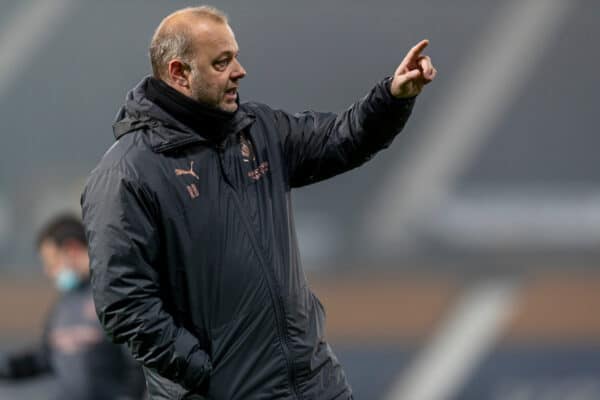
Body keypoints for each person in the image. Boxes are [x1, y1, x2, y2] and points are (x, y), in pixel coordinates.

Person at [81, 5, 436, 400]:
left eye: (235, 56)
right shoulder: (127, 173)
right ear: (180, 73)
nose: (240, 70)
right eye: (222, 62)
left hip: (316, 386)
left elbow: (339, 138)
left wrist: (390, 98)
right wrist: (205, 373)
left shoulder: (258, 130)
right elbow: (123, 304)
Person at [0, 214, 146, 400]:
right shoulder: (64, 305)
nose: (48, 272)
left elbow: (137, 361)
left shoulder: (114, 295)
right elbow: (45, 357)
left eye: (51, 263)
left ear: (71, 249)